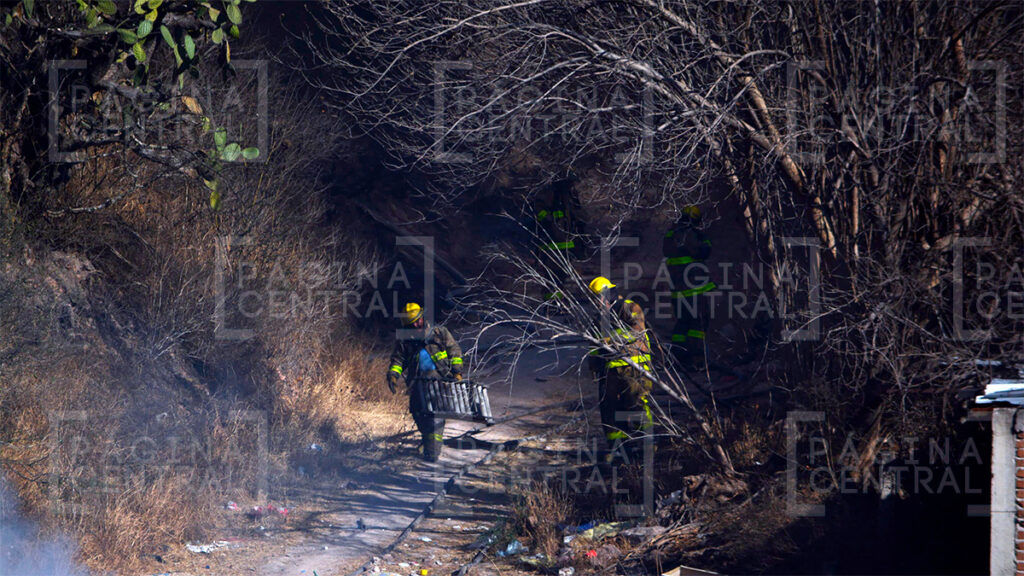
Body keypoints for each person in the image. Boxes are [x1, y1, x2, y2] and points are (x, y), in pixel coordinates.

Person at [386, 302, 464, 462]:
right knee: (417, 412)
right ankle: (428, 440)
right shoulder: (405, 341)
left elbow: (454, 350)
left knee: (435, 416)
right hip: (417, 384)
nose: (416, 324)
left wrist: (457, 372)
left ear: (422, 317)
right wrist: (393, 374)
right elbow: (398, 360)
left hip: (439, 381)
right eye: (412, 323)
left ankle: (432, 453)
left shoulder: (439, 333)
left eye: (418, 320)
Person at [587, 276, 654, 457]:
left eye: (598, 297)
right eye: (593, 299)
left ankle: (648, 444)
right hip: (610, 371)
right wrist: (594, 366)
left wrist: (609, 341)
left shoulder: (629, 307)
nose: (596, 302)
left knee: (636, 405)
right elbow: (594, 347)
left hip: (634, 367)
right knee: (609, 409)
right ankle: (618, 448)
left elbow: (637, 333)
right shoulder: (598, 319)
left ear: (608, 295)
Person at [662, 206, 716, 370]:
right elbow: (703, 252)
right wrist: (704, 237)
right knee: (698, 325)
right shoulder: (689, 233)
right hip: (695, 291)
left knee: (682, 324)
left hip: (678, 293)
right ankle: (696, 360)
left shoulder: (671, 235)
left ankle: (677, 358)